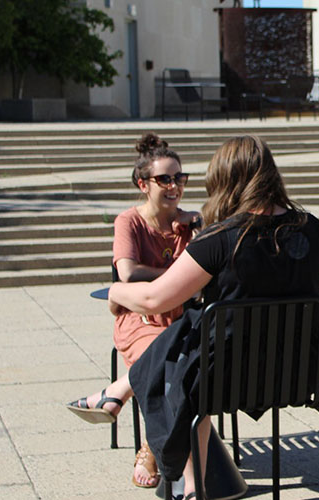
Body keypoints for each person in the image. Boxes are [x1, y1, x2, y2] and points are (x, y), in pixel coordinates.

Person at [67, 135, 319, 499]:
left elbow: (154, 298)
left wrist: (114, 291)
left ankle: (185, 477)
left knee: (186, 338)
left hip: (225, 381)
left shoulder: (220, 239)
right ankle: (118, 396)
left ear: (225, 181)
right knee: (193, 323)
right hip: (297, 373)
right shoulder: (315, 229)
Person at [112, 133, 200, 488]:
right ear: (143, 184)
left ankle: (148, 438)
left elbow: (207, 272)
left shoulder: (189, 223)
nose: (174, 186)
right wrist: (175, 276)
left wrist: (199, 230)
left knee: (187, 362)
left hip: (180, 318)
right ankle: (155, 450)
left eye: (179, 177)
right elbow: (127, 272)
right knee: (166, 362)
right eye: (165, 179)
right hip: (139, 317)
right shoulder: (129, 221)